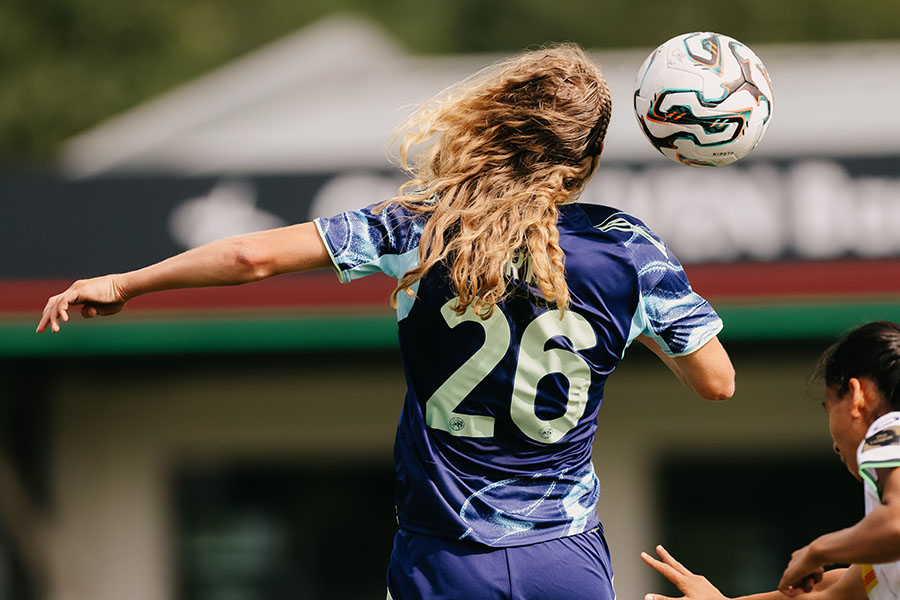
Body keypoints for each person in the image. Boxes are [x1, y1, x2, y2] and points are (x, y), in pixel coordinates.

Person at [37, 44, 734, 600]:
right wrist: (629, 320)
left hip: (445, 559)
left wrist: (125, 283)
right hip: (565, 560)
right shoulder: (629, 250)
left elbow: (252, 256)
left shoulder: (422, 227)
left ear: (496, 132)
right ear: (592, 159)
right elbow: (717, 382)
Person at [641, 320, 900, 600]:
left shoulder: (888, 430)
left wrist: (817, 551)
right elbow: (833, 592)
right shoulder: (882, 553)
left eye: (829, 408)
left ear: (856, 395)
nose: (835, 445)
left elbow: (896, 524)